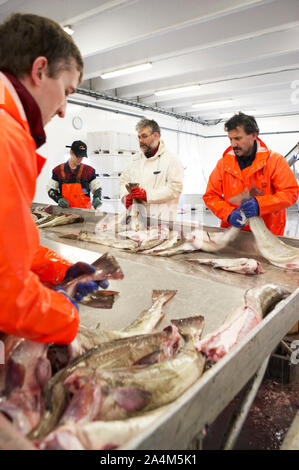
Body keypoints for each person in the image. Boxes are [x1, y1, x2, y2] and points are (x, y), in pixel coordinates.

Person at [0, 13, 108, 345]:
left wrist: (60, 270)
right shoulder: (7, 136)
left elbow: (8, 246)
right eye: (66, 90)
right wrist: (67, 314)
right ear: (39, 70)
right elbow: (9, 296)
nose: (63, 110)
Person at [203, 112, 299, 236]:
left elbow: (290, 193)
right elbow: (210, 196)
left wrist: (260, 205)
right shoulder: (223, 164)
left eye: (238, 138)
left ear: (253, 135)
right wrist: (228, 213)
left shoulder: (275, 161)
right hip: (233, 235)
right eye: (230, 139)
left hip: (268, 236)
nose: (233, 144)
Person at [119, 118, 184, 221]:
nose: (140, 141)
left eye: (144, 136)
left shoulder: (171, 160)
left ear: (156, 136)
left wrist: (147, 195)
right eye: (139, 137)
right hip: (137, 219)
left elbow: (175, 188)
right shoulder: (133, 160)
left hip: (162, 221)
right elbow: (123, 181)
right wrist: (125, 197)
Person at [47, 140, 102, 209]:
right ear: (71, 152)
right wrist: (58, 198)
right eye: (78, 156)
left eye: (82, 157)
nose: (80, 159)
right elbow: (51, 189)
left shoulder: (89, 170)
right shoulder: (58, 170)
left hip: (85, 212)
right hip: (65, 212)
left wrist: (97, 197)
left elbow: (97, 188)